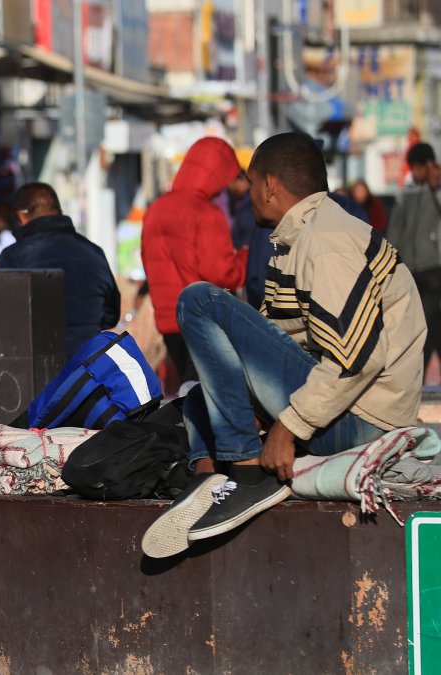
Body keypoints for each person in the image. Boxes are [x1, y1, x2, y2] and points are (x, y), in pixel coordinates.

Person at [142, 133, 425, 558]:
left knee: (199, 300)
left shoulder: (327, 241)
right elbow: (281, 342)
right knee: (207, 391)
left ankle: (244, 471)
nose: (247, 194)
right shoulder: (296, 238)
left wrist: (288, 426)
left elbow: (356, 361)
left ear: (270, 185)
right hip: (344, 409)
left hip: (363, 421)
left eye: (252, 183)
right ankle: (208, 477)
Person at [141, 136, 249, 386]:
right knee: (206, 394)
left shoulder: (156, 208)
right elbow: (222, 273)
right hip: (201, 319)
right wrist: (244, 257)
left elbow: (149, 261)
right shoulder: (206, 213)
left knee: (188, 389)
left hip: (168, 321)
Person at [0, 182, 120, 359]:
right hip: (89, 370)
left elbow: (2, 320)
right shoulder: (94, 252)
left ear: (22, 217)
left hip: (38, 371)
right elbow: (111, 315)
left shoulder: (13, 257)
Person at [386, 142, 441, 372]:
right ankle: (418, 369)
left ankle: (422, 367)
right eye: (414, 167)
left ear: (430, 166)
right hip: (411, 268)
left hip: (434, 267)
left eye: (421, 167)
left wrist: (434, 186)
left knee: (429, 318)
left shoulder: (437, 191)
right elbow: (396, 230)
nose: (416, 172)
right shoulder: (406, 194)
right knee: (419, 321)